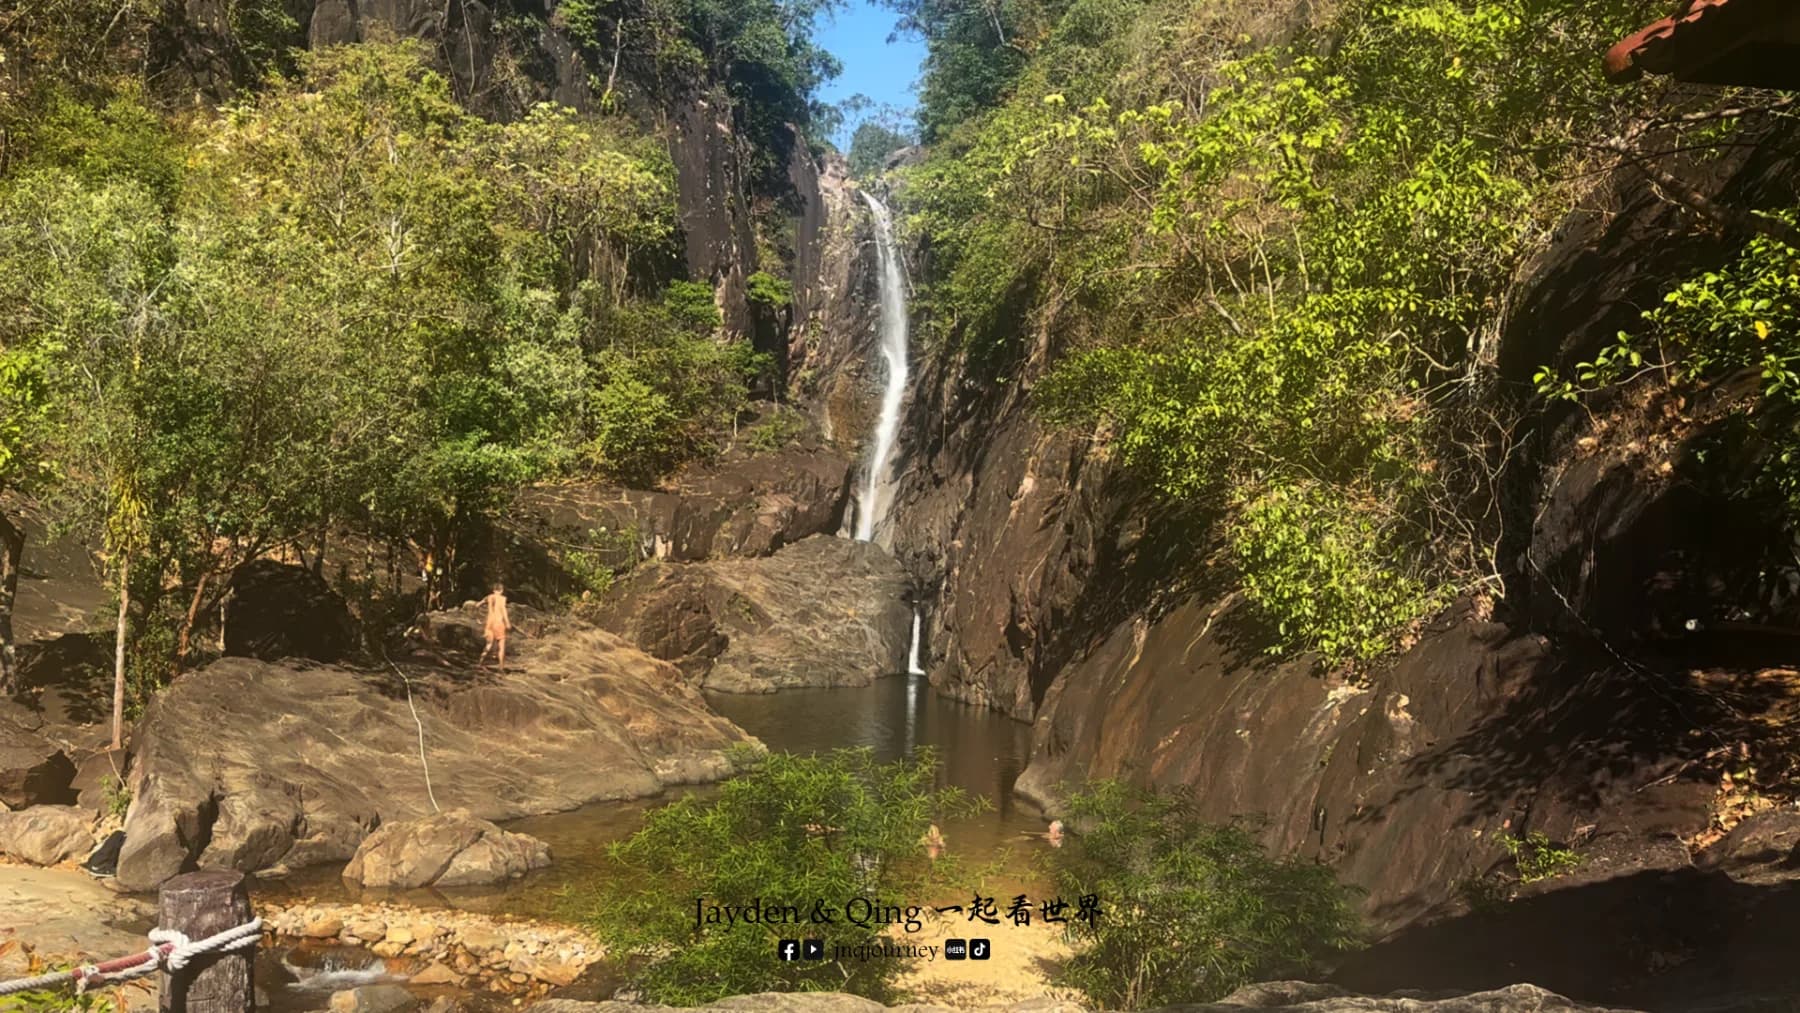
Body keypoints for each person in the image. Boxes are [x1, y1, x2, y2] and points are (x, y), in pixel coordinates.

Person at [478, 582, 512, 671]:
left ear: (493, 590)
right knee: (501, 645)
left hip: (489, 623)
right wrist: (507, 622)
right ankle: (501, 667)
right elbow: (503, 610)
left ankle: (480, 663)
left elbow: (477, 605)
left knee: (488, 645)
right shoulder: (502, 599)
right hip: (499, 623)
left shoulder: (489, 597)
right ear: (502, 590)